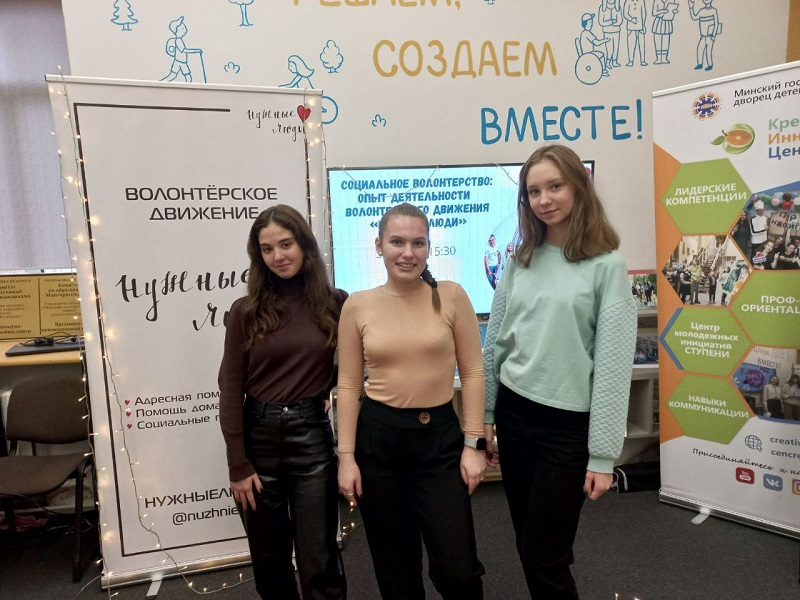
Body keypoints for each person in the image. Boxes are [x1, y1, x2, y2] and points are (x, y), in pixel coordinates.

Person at [483, 144, 637, 599]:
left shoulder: (607, 266)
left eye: (555, 186)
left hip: (567, 428)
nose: (544, 199)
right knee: (532, 543)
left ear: (579, 188)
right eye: (534, 191)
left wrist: (603, 456)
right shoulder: (520, 259)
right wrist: (487, 413)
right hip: (514, 415)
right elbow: (496, 342)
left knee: (542, 554)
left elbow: (612, 366)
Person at [337, 202, 487, 600]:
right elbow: (348, 386)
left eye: (418, 243)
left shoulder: (452, 296)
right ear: (379, 246)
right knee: (396, 570)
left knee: (459, 570)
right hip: (378, 444)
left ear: (429, 247)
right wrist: (346, 458)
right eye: (397, 242)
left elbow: (473, 374)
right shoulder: (357, 305)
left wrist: (474, 444)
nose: (408, 252)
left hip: (439, 442)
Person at [218, 205, 347, 600]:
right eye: (267, 249)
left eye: (286, 244)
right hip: (258, 445)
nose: (278, 256)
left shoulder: (336, 303)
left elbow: (353, 367)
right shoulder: (245, 311)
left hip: (313, 443)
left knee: (319, 559)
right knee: (270, 561)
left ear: (304, 245)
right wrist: (238, 464)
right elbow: (230, 388)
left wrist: (324, 390)